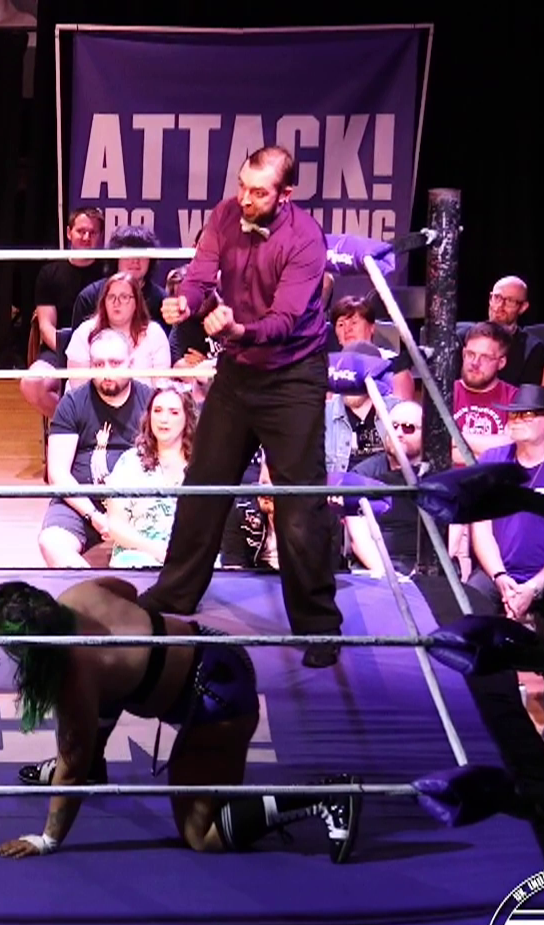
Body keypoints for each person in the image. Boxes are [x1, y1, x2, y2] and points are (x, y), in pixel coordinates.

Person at [0, 579, 360, 863]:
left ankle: (324, 796)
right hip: (209, 645)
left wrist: (48, 839)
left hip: (215, 698)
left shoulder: (75, 679)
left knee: (201, 835)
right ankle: (99, 764)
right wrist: (130, 652)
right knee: (110, 688)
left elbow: (70, 769)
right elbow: (126, 590)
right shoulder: (79, 594)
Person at [142, 146, 345, 669]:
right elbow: (200, 275)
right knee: (204, 483)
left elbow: (283, 321)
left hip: (292, 375)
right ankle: (175, 593)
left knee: (299, 504)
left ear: (285, 194)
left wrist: (236, 329)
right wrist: (186, 303)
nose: (245, 200)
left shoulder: (305, 240)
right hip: (238, 371)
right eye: (242, 187)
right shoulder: (226, 214)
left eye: (258, 192)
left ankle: (319, 626)